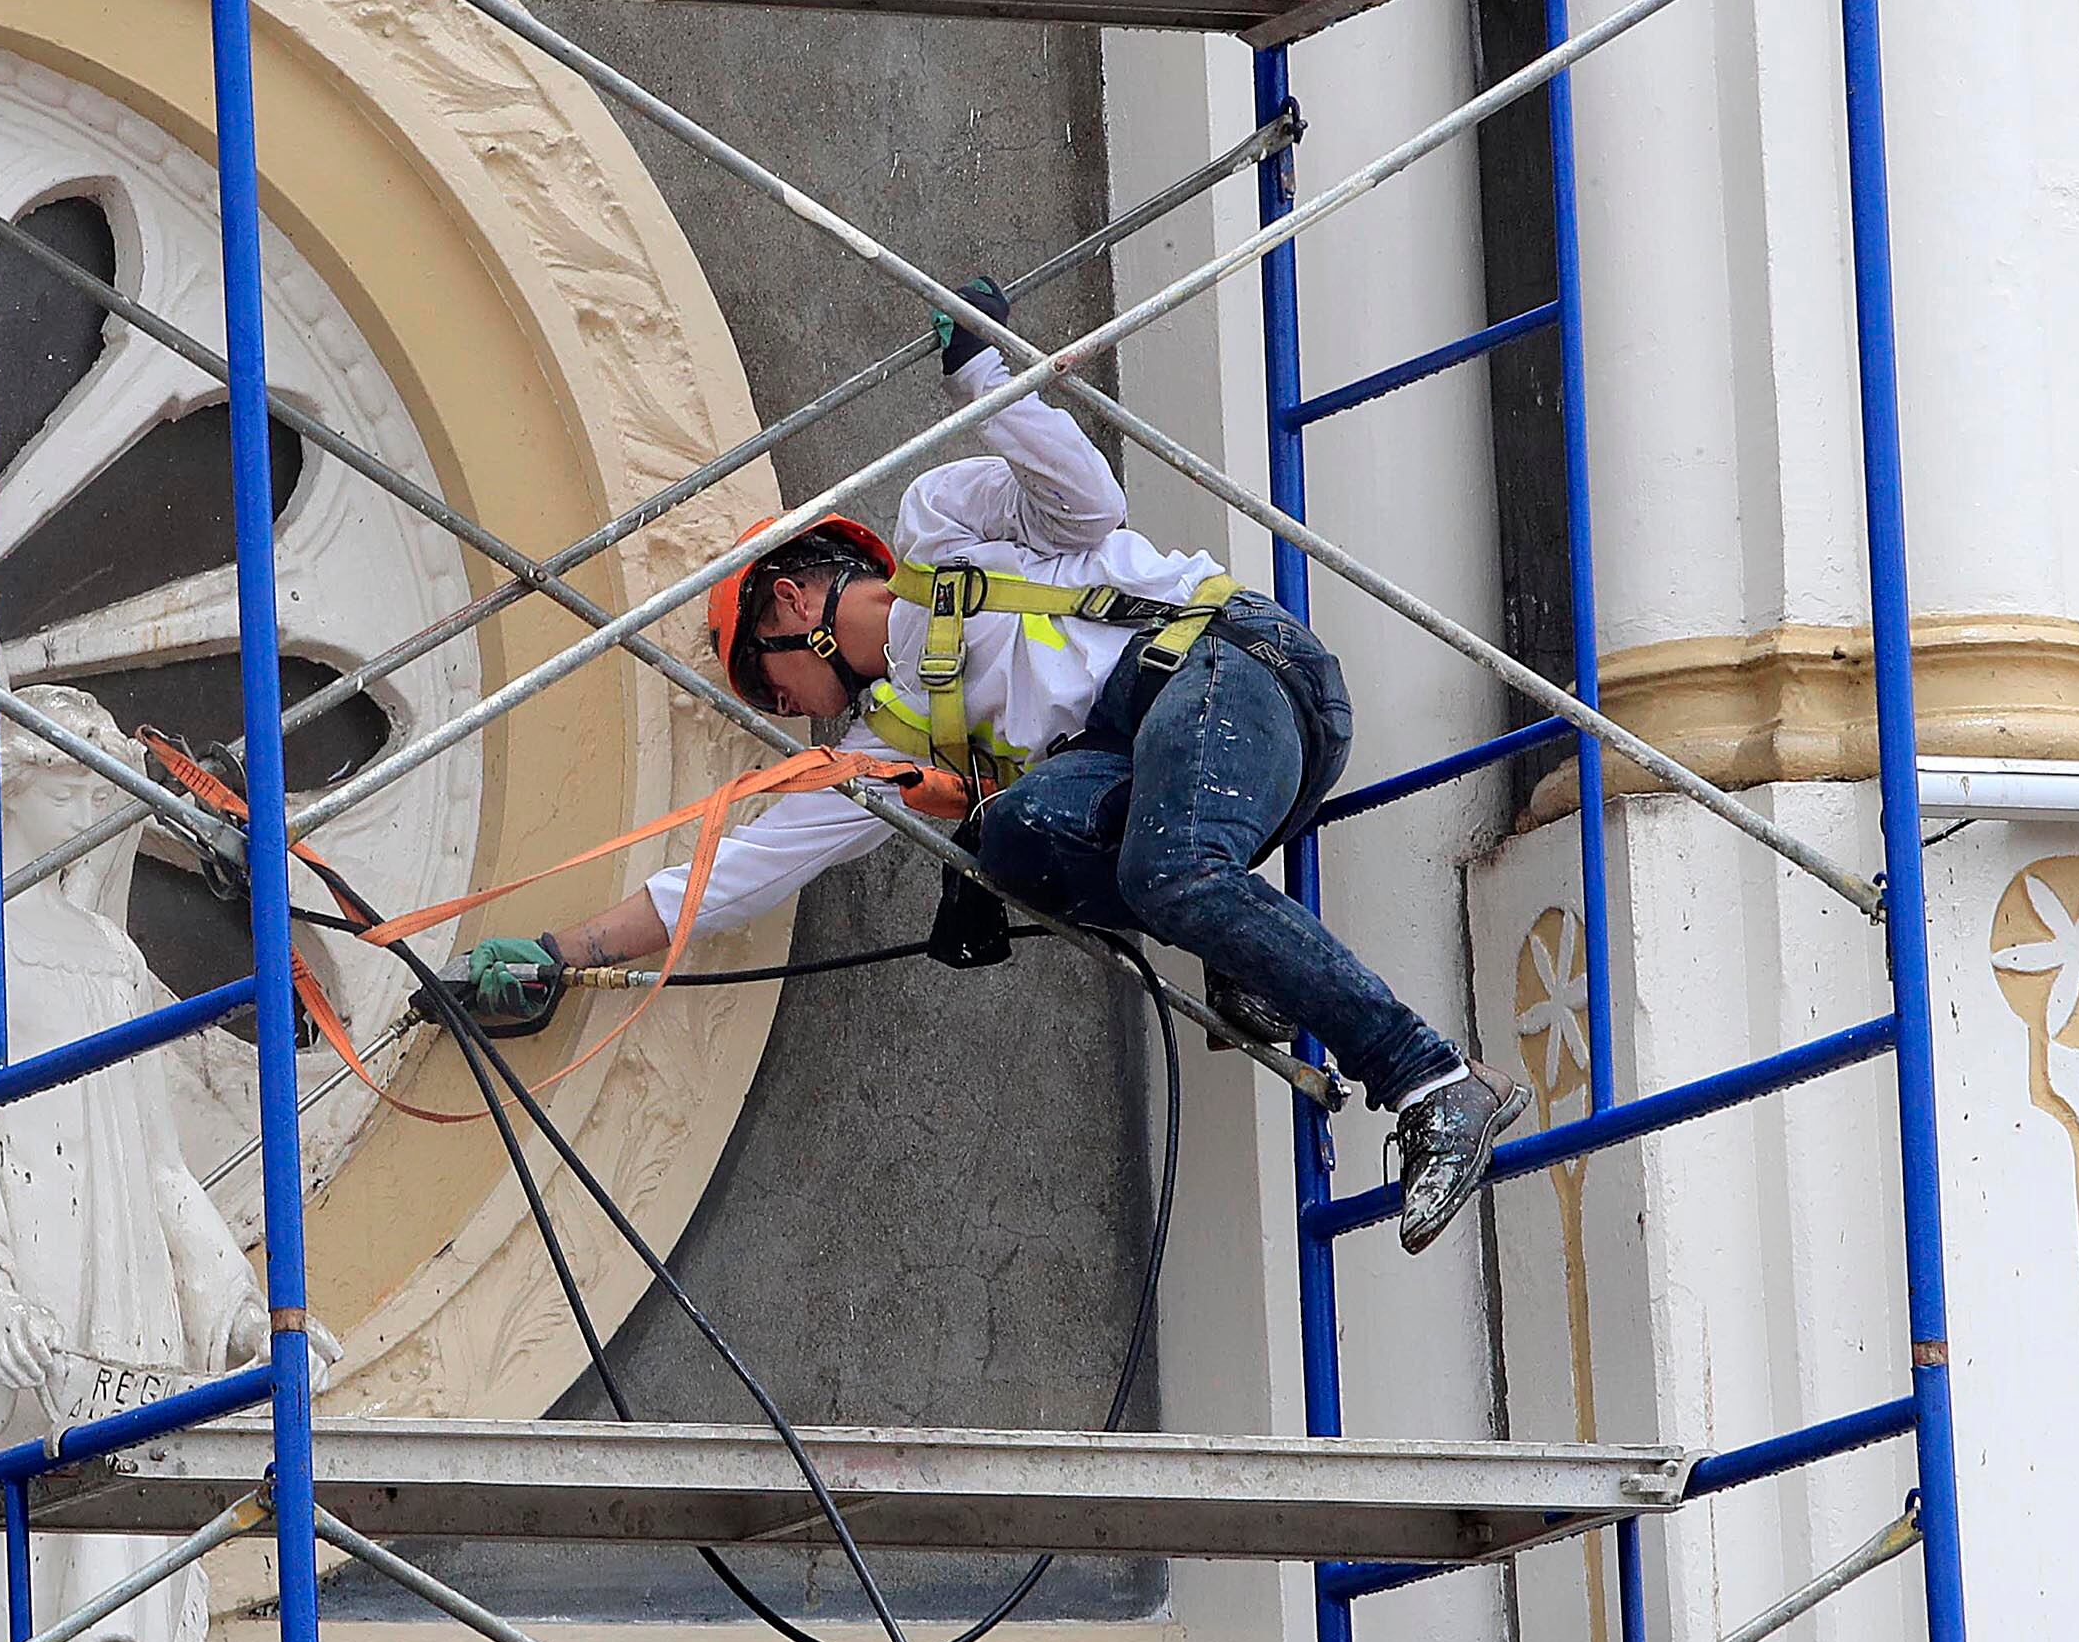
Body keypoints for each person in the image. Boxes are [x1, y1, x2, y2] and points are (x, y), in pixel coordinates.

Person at [454, 299, 1527, 1254]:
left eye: (760, 679)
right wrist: (563, 953)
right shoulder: (891, 751)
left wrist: (979, 367)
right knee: (1009, 837)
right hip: (1172, 762)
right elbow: (737, 871)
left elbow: (1084, 502)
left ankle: (1432, 1078)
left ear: (790, 603)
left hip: (1231, 668)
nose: (774, 710)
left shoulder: (939, 525)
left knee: (1165, 870)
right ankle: (1226, 924)